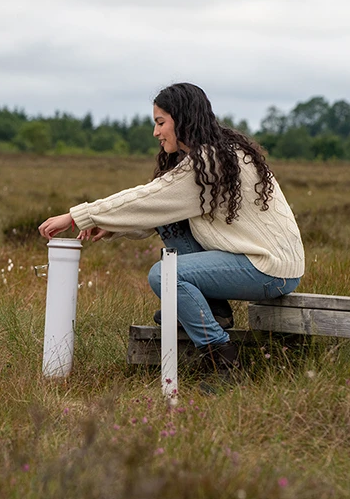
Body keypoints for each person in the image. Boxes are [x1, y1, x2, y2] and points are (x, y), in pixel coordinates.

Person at [38, 82, 304, 376]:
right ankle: (213, 311)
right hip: (261, 261)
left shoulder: (210, 162)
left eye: (161, 122)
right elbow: (159, 208)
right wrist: (111, 226)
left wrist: (79, 216)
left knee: (164, 275)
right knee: (169, 220)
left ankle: (222, 359)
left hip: (269, 269)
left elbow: (148, 198)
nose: (156, 132)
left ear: (183, 119)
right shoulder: (216, 155)